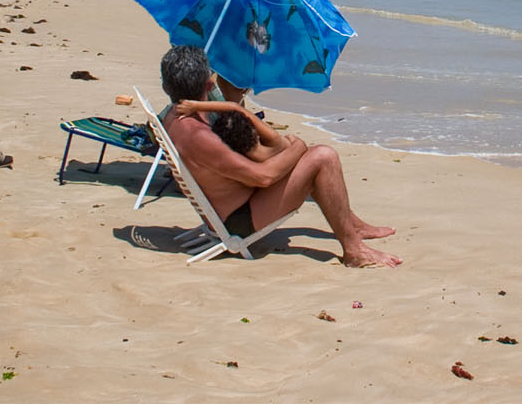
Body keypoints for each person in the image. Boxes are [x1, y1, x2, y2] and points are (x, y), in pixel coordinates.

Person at [160, 46, 399, 268]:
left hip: (237, 202)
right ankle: (354, 249)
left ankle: (352, 225)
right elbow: (263, 178)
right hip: (239, 220)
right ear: (208, 85)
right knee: (323, 157)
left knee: (308, 158)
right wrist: (298, 148)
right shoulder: (198, 135)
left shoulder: (176, 116)